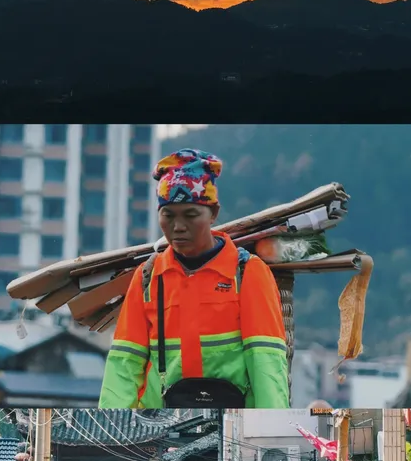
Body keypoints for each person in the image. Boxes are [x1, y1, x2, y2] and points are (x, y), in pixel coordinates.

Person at [98, 148, 290, 409]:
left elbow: (266, 362)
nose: (178, 226)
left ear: (213, 213)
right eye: (168, 215)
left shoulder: (247, 273)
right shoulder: (148, 277)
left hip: (230, 416)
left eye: (190, 215)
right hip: (160, 423)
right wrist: (113, 431)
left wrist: (271, 430)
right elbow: (124, 364)